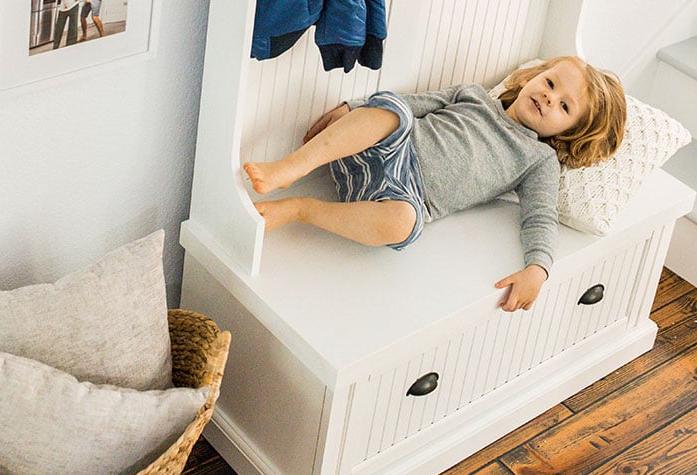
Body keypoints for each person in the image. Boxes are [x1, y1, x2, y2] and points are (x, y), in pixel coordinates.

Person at [243, 56, 626, 312]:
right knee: (392, 110)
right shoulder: (474, 95)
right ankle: (289, 168)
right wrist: (350, 109)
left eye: (564, 106)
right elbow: (410, 103)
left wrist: (537, 269)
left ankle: (301, 209)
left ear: (570, 133)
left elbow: (540, 217)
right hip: (379, 149)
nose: (548, 96)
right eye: (550, 82)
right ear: (531, 78)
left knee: (405, 226)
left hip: (399, 197)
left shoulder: (538, 159)